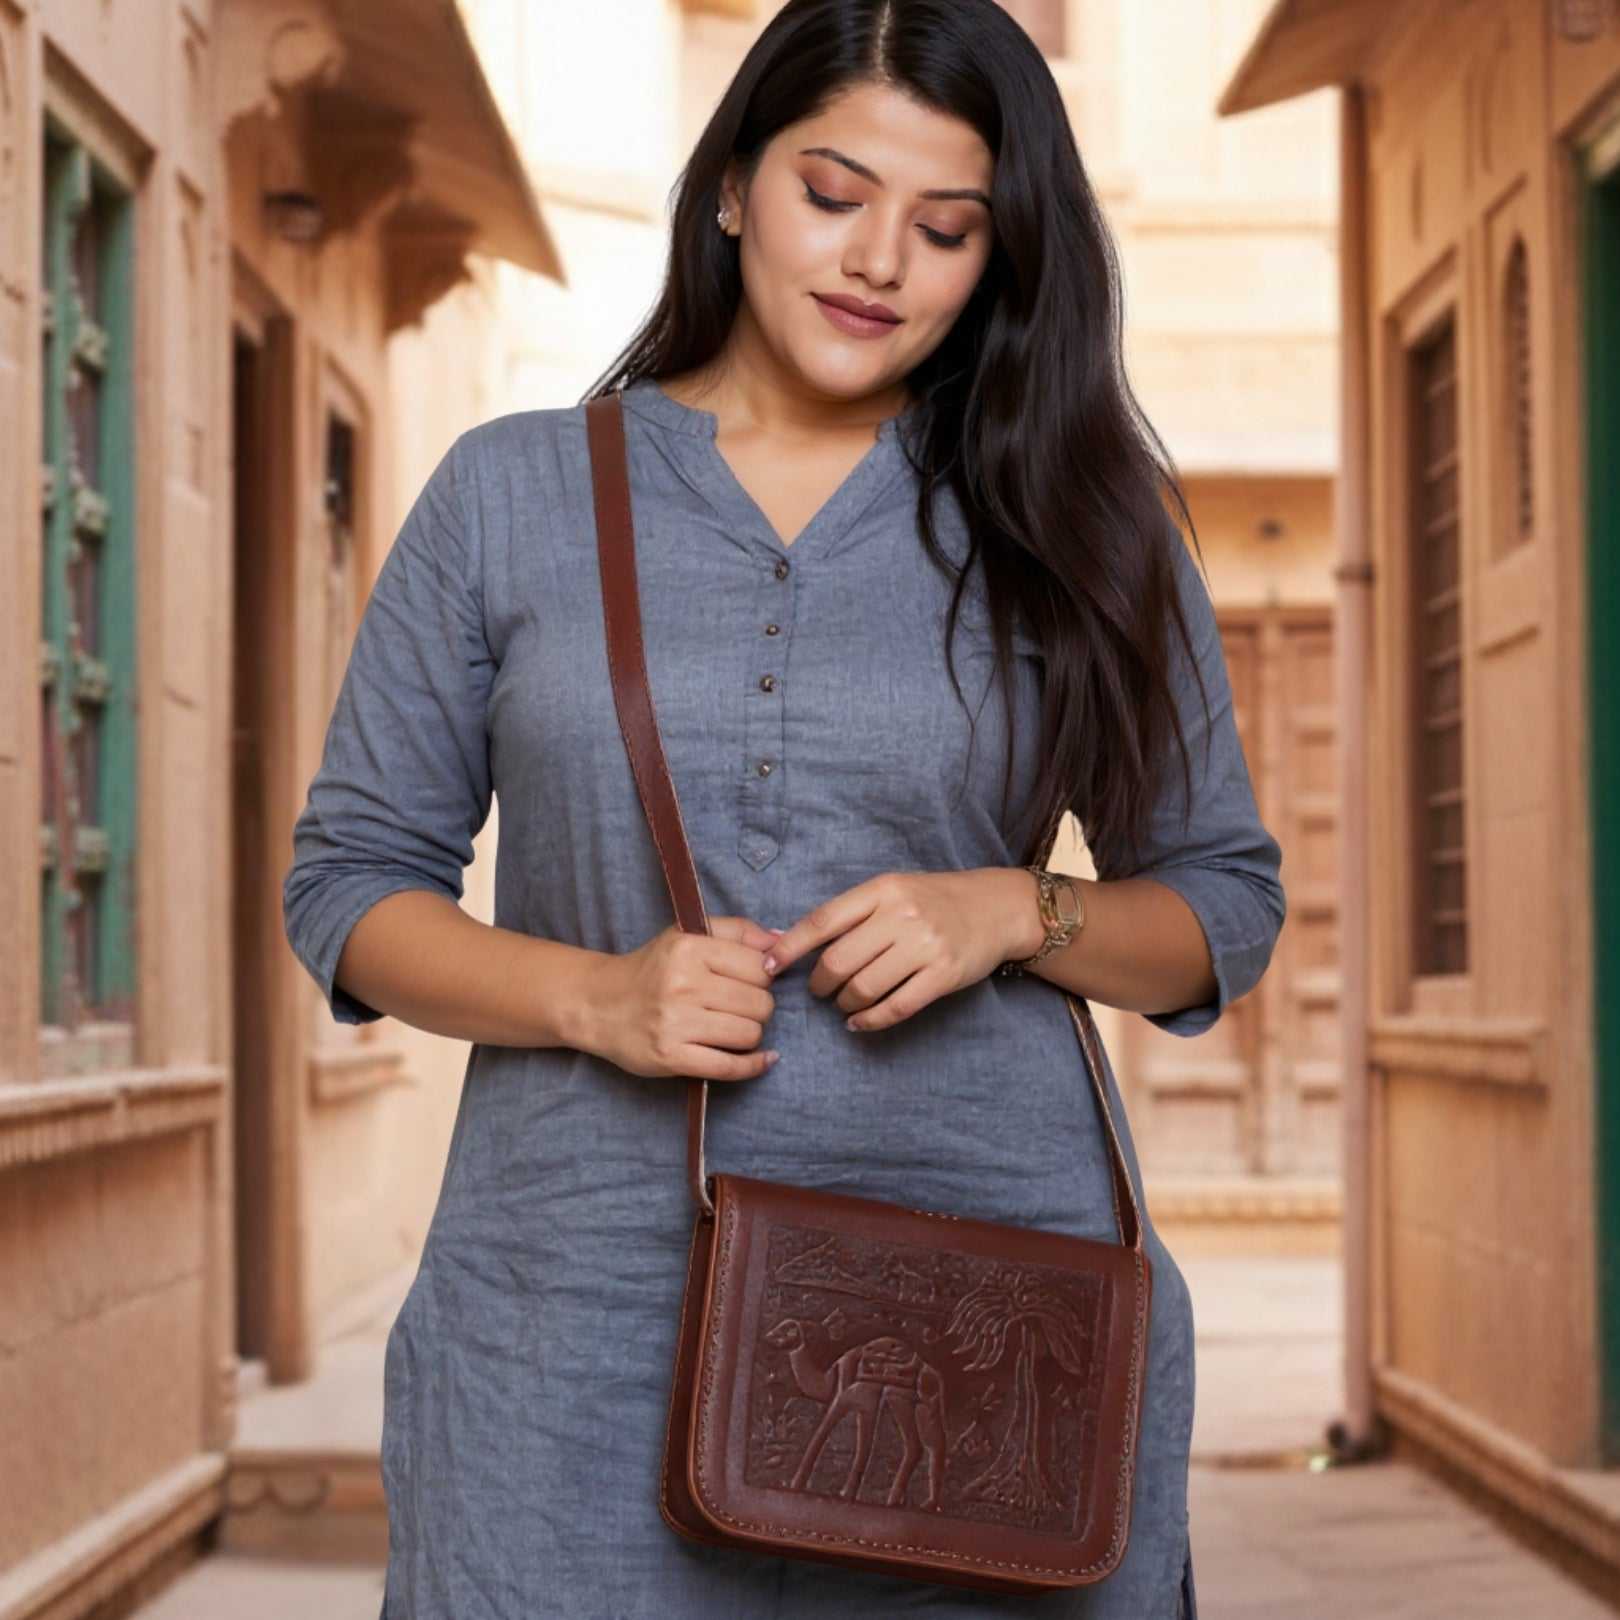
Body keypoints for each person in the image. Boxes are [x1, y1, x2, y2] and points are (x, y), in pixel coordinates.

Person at [282, 2, 1286, 1615]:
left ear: (998, 255)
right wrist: (593, 995)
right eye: (834, 193)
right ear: (735, 185)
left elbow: (1219, 911)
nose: (879, 259)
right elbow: (348, 886)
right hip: (571, 1322)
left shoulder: (1079, 515)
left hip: (986, 1332)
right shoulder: (513, 492)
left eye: (945, 226)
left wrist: (1015, 914)